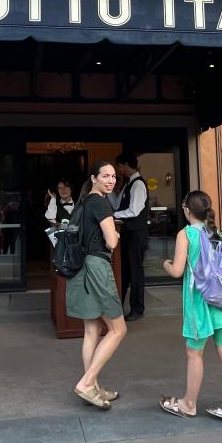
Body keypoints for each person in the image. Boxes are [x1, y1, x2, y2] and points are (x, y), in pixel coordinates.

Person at [159, 191, 222, 426]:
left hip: (201, 302)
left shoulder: (186, 234)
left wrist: (165, 263)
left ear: (187, 210)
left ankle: (188, 403)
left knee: (194, 353)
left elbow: (177, 271)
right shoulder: (216, 234)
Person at [67, 161, 127, 410]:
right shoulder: (100, 202)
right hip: (97, 267)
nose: (111, 180)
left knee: (92, 330)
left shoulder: (83, 202)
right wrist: (117, 236)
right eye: (105, 176)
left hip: (82, 268)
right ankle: (86, 382)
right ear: (94, 178)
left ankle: (92, 387)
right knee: (118, 329)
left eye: (113, 176)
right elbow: (111, 242)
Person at [112, 152, 149, 321]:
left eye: (119, 166)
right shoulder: (128, 184)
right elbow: (116, 204)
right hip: (128, 234)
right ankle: (119, 306)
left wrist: (114, 215)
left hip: (136, 234)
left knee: (135, 272)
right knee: (125, 271)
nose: (119, 170)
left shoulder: (138, 184)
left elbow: (134, 210)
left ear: (125, 164)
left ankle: (137, 309)